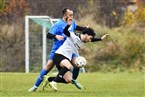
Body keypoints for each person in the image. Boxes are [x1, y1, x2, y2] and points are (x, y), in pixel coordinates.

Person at [28, 8, 89, 92]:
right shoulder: (58, 24)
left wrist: (85, 28)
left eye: (72, 15)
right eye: (70, 15)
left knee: (77, 64)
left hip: (69, 50)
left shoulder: (72, 22)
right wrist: (55, 36)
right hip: (58, 50)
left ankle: (73, 80)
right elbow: (48, 35)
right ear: (65, 15)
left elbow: (76, 27)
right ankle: (35, 86)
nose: (72, 16)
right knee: (48, 67)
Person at [45, 19, 109, 91]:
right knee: (68, 66)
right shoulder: (73, 35)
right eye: (90, 37)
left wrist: (101, 39)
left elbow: (92, 40)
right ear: (86, 35)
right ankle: (54, 82)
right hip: (59, 55)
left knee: (68, 80)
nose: (90, 40)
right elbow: (65, 32)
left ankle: (48, 79)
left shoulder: (83, 40)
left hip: (65, 58)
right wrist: (68, 25)